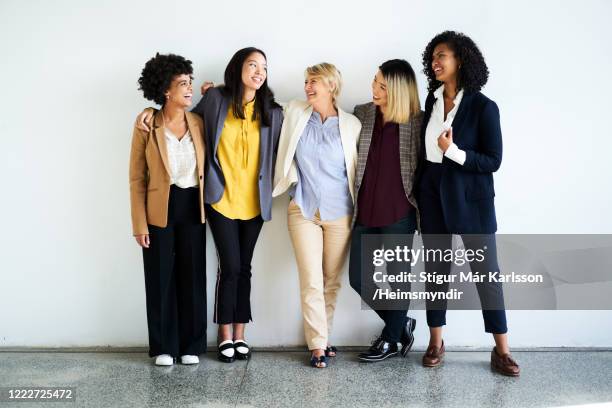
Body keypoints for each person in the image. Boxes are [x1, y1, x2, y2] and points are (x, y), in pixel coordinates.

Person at [136, 47, 283, 363]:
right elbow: (141, 173)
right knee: (197, 271)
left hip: (227, 204)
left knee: (222, 271)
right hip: (195, 203)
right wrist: (148, 111)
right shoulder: (205, 104)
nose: (259, 71)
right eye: (252, 64)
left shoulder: (263, 111)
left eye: (264, 67)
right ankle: (193, 341)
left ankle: (216, 340)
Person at [416, 31, 520, 376]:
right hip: (432, 197)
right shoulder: (430, 103)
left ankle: (502, 351)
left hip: (472, 202)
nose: (436, 61)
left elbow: (493, 160)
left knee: (487, 276)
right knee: (436, 273)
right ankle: (436, 341)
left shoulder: (484, 107)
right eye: (432, 56)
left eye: (442, 55)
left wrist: (455, 152)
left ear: (460, 59)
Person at [272, 63, 361, 368]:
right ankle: (317, 346)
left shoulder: (351, 124)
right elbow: (258, 99)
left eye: (314, 82)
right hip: (303, 209)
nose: (308, 87)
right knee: (311, 280)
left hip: (341, 213)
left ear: (331, 86)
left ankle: (323, 336)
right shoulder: (296, 112)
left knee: (330, 281)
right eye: (307, 81)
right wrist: (215, 92)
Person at [129, 53, 206, 366]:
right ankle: (163, 346)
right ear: (165, 91)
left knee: (192, 276)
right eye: (183, 84)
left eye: (191, 82)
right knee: (160, 277)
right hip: (159, 209)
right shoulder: (148, 124)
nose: (190, 89)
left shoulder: (199, 122)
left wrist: (213, 89)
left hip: (192, 207)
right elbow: (136, 177)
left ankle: (191, 345)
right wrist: (139, 223)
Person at [348, 60, 422, 362]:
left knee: (397, 278)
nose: (374, 89)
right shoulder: (362, 113)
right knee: (358, 278)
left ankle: (391, 340)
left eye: (382, 86)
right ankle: (399, 323)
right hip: (364, 210)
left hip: (399, 212)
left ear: (398, 90)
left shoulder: (417, 121)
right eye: (374, 82)